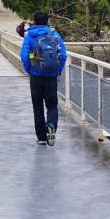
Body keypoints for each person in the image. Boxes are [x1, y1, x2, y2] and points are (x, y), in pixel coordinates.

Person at [21, 11, 67, 146]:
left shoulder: (30, 36)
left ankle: (41, 137)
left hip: (36, 76)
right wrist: (57, 70)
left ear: (34, 22)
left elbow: (24, 56)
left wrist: (30, 70)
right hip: (51, 76)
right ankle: (51, 127)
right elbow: (63, 55)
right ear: (47, 21)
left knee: (37, 107)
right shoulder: (54, 35)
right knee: (52, 105)